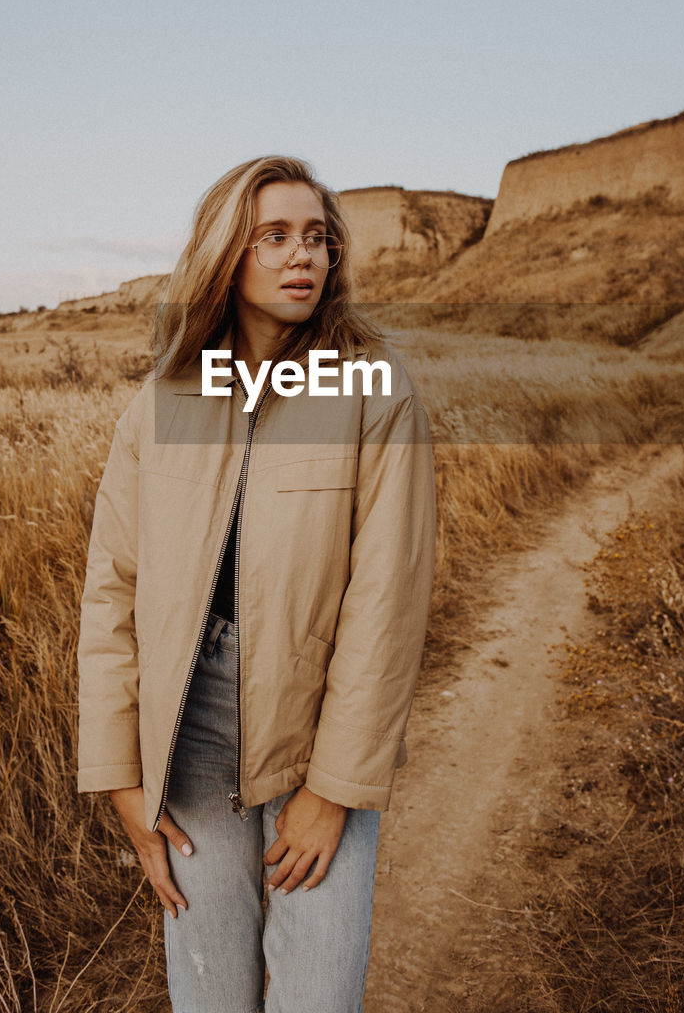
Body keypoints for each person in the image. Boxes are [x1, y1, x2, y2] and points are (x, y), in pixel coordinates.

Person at [77, 155, 436, 1013]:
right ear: (225, 256)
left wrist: (333, 791)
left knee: (317, 992)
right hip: (186, 733)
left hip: (314, 727)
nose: (300, 255)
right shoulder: (162, 402)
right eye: (272, 236)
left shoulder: (374, 395)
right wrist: (121, 777)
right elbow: (111, 596)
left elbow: (387, 607)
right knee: (208, 992)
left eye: (315, 237)